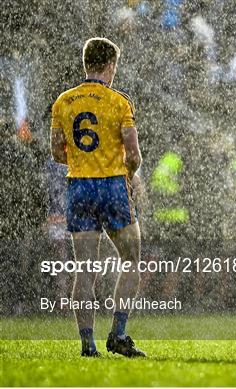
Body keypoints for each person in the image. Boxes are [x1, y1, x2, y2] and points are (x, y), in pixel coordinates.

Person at [50, 37, 145, 357]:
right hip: (112, 185)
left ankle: (87, 344)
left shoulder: (64, 101)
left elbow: (56, 151)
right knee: (131, 258)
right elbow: (133, 155)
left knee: (85, 267)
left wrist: (81, 161)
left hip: (79, 186)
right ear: (111, 66)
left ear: (85, 63)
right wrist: (127, 175)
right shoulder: (118, 102)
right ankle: (118, 334)